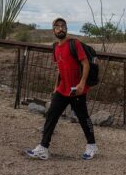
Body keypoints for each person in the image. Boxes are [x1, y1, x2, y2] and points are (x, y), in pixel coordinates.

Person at [26, 17, 98, 160]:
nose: (60, 28)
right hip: (62, 89)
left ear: (66, 29)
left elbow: (86, 64)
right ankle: (43, 148)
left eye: (63, 26)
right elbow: (59, 67)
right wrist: (55, 87)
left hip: (76, 89)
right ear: (53, 30)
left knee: (83, 118)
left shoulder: (74, 44)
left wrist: (82, 84)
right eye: (57, 26)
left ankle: (92, 146)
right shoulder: (55, 47)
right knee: (51, 116)